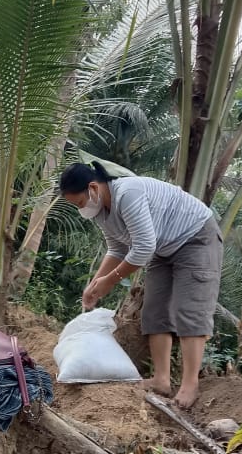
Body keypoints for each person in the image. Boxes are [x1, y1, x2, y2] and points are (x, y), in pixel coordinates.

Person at [58, 162, 223, 409]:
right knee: (154, 310)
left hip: (195, 238)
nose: (80, 209)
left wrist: (110, 280)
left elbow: (144, 248)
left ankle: (190, 385)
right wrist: (94, 284)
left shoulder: (128, 194)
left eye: (79, 203)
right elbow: (117, 248)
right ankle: (161, 380)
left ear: (93, 187)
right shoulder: (102, 211)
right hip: (164, 248)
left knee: (189, 310)